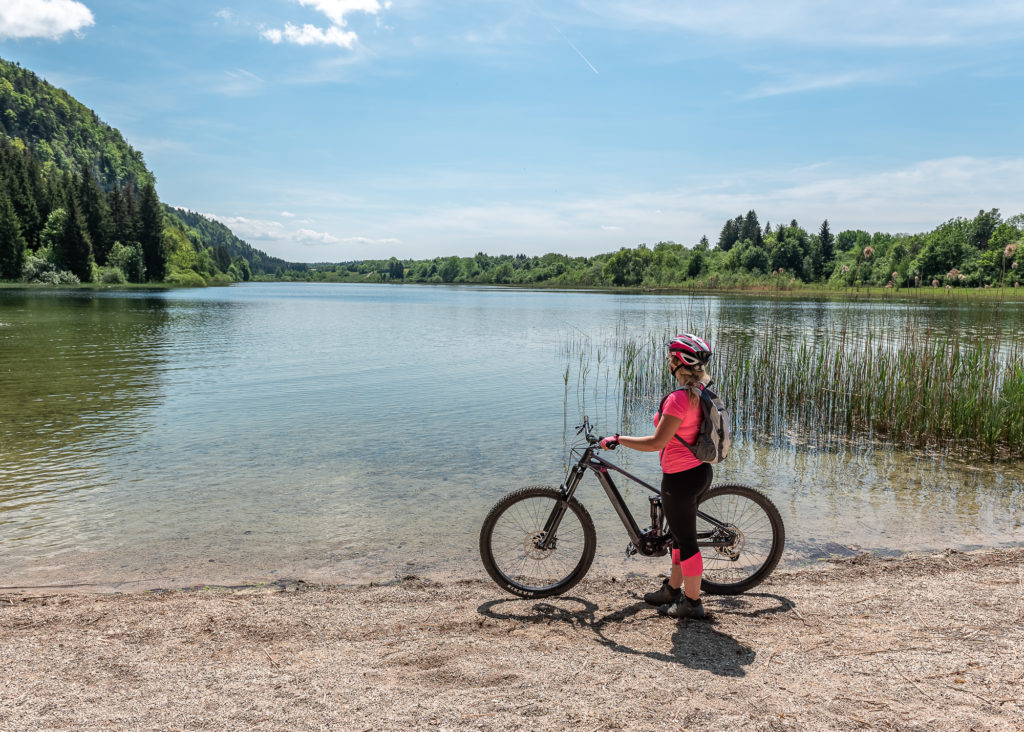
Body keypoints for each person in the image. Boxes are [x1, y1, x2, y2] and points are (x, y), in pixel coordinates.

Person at [600, 333, 714, 619]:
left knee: (686, 542)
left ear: (678, 363)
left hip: (681, 479)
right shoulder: (700, 391)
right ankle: (673, 590)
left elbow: (655, 443)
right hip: (699, 472)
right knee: (677, 537)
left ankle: (692, 602)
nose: (668, 362)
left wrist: (619, 439)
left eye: (670, 359)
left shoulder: (679, 399)